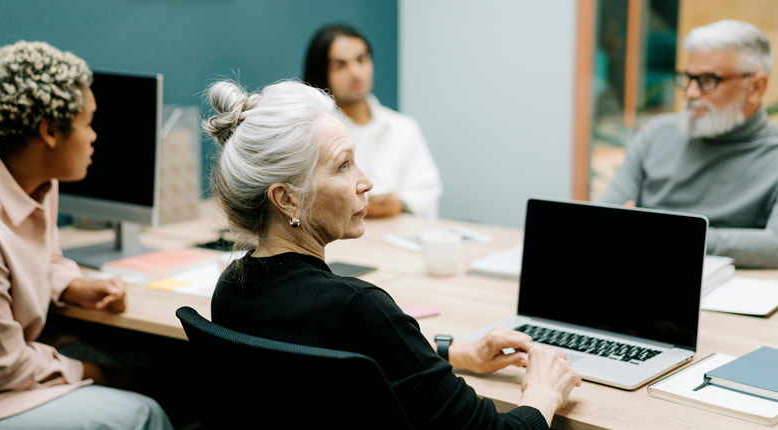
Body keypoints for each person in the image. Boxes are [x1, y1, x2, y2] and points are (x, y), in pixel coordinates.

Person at [206, 80, 581, 429]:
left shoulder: (231, 290)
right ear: (287, 199)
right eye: (343, 165)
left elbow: (332, 361)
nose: (366, 181)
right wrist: (542, 393)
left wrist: (452, 352)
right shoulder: (358, 309)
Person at [0, 41, 173, 429]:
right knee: (144, 412)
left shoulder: (34, 179)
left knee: (154, 366)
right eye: (89, 122)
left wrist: (73, 285)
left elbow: (44, 258)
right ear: (50, 131)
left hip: (7, 363)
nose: (94, 136)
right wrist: (100, 374)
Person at [598, 20, 778, 268]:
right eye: (688, 78)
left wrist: (670, 235)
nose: (691, 93)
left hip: (725, 289)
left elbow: (775, 245)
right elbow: (604, 217)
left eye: (708, 80)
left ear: (756, 87)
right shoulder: (656, 133)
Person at [304, 23, 443, 219]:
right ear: (322, 73)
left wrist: (399, 205)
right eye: (340, 65)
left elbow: (427, 192)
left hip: (394, 238)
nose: (355, 72)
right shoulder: (312, 132)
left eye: (361, 60)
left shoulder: (403, 127)